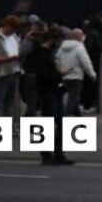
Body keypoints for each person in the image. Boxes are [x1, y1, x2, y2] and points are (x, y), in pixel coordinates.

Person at [35, 29, 74, 166]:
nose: (60, 43)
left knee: (61, 123)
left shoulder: (48, 53)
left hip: (55, 91)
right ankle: (47, 155)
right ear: (52, 39)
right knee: (48, 123)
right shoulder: (41, 54)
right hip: (48, 92)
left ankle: (59, 154)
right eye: (58, 40)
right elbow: (43, 76)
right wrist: (60, 74)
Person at [0, 15, 22, 116]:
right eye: (12, 28)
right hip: (1, 74)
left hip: (14, 73)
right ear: (7, 25)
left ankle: (8, 123)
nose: (13, 31)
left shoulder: (15, 38)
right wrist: (10, 59)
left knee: (10, 104)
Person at [56, 28, 95, 116]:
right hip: (76, 77)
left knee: (74, 98)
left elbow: (57, 59)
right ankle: (66, 116)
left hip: (64, 76)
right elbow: (85, 62)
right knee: (73, 99)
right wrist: (92, 74)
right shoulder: (80, 47)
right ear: (79, 36)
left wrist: (60, 70)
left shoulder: (62, 47)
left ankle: (78, 116)